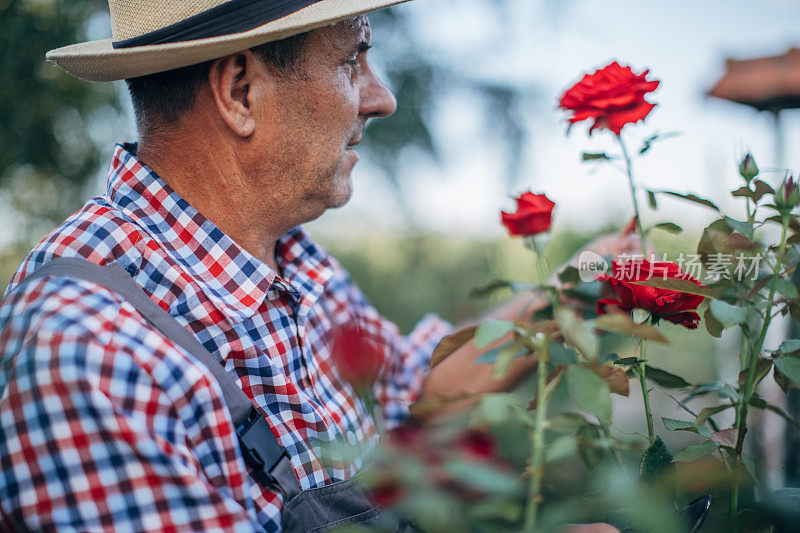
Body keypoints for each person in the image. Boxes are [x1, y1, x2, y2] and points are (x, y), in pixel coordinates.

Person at [0, 1, 636, 530]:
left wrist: (585, 287)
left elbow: (418, 391)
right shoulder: (86, 345)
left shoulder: (295, 264)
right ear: (240, 91)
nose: (380, 97)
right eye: (351, 59)